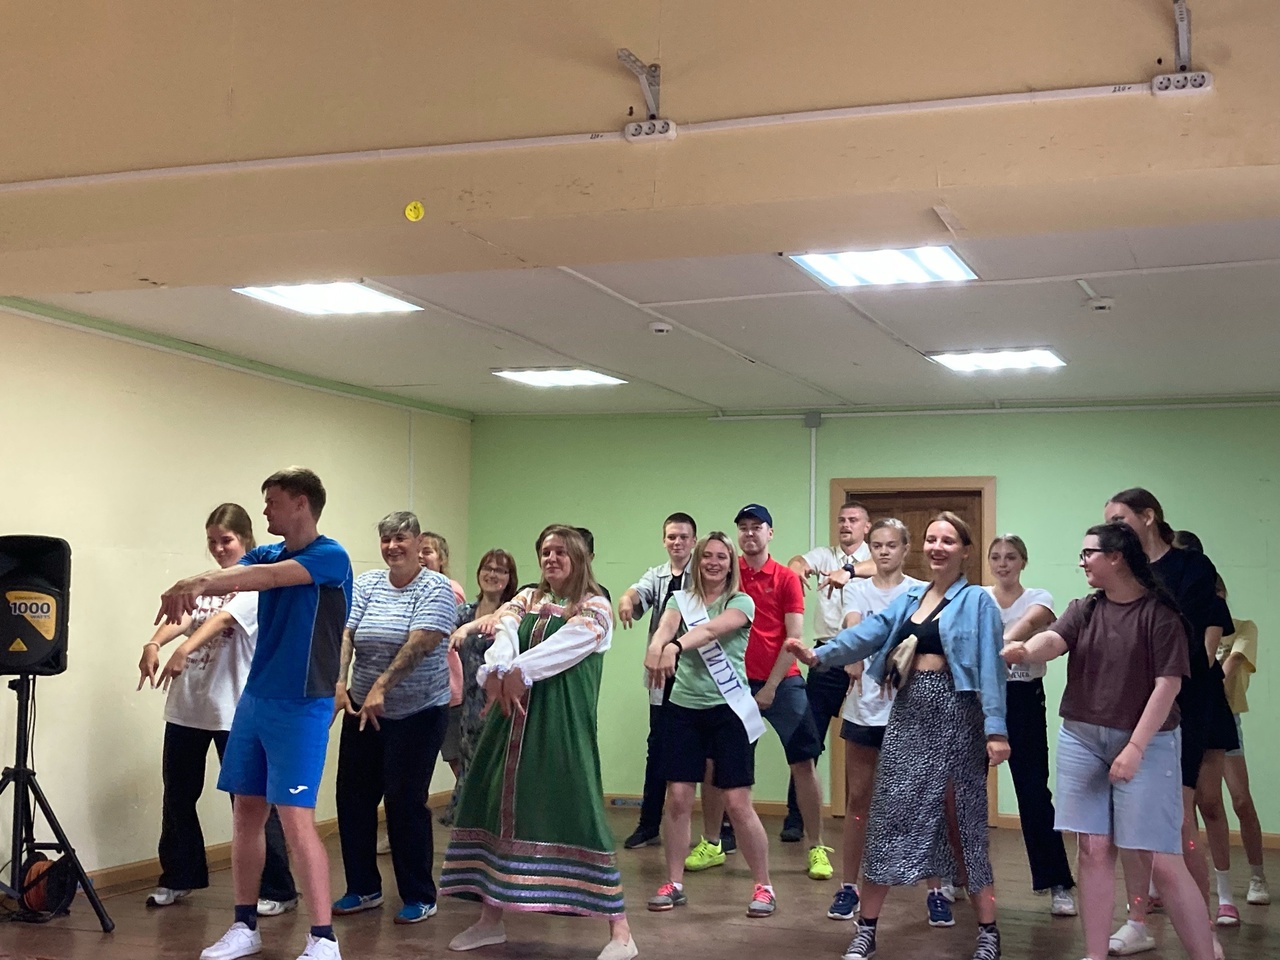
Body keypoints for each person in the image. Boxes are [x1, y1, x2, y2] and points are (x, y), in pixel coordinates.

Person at [787, 511, 1009, 960]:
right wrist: (820, 655)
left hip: (957, 721)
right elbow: (867, 634)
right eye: (932, 539)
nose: (938, 547)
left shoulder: (978, 602)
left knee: (963, 824)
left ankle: (988, 931)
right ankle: (867, 930)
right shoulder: (910, 598)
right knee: (887, 820)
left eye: (948, 540)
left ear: (965, 551)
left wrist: (996, 730)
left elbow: (991, 667)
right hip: (908, 719)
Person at [156, 467, 353, 960]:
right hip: (255, 700)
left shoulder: (330, 556)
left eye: (272, 502)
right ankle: (244, 925)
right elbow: (241, 573)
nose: (264, 510)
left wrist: (197, 581)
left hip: (302, 704)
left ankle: (323, 938)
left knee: (295, 820)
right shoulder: (267, 551)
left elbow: (265, 578)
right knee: (246, 813)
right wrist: (189, 599)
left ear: (301, 504)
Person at [1001, 522, 1214, 960]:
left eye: (1088, 554)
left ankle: (1205, 952)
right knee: (1093, 849)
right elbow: (1054, 639)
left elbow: (1168, 687)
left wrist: (1135, 748)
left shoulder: (1161, 616)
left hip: (1148, 743)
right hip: (1082, 737)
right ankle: (1095, 954)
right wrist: (1024, 650)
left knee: (1160, 858)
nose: (1082, 562)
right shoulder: (1086, 608)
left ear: (1116, 557)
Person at [440, 526, 637, 960]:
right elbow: (504, 631)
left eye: (561, 552)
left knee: (580, 809)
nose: (551, 558)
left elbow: (565, 647)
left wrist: (517, 671)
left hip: (559, 724)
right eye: (545, 551)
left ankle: (621, 932)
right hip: (508, 721)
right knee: (497, 807)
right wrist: (498, 668)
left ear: (579, 558)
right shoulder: (527, 597)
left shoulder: (595, 606)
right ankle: (490, 920)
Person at [138, 504, 297, 915]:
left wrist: (184, 650)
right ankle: (179, 876)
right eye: (212, 541)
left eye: (226, 540)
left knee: (250, 800)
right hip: (189, 706)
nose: (219, 548)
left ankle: (277, 889)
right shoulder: (205, 583)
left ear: (245, 539)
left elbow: (224, 619)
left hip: (236, 710)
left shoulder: (257, 584)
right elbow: (183, 616)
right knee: (178, 796)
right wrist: (155, 643)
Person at [1103, 489, 1236, 957]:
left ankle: (1204, 928)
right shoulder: (1123, 569)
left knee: (1179, 822)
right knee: (1132, 824)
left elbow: (1186, 642)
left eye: (1120, 520)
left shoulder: (1191, 567)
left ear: (1148, 516)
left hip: (1185, 704)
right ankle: (1137, 920)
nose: (1114, 530)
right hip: (1131, 708)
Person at [691, 504, 829, 887]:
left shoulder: (786, 578)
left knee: (804, 761)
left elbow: (794, 637)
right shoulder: (727, 574)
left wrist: (769, 688)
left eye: (757, 527)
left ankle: (817, 846)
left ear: (770, 533)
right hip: (732, 684)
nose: (749, 533)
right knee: (716, 764)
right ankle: (712, 842)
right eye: (744, 528)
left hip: (783, 683)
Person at [330, 512, 457, 925]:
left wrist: (382, 687)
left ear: (418, 543)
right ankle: (363, 888)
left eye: (400, 538)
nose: (392, 546)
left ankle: (419, 894)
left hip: (419, 711)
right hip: (363, 708)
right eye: (386, 539)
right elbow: (347, 633)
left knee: (404, 801)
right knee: (353, 797)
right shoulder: (368, 583)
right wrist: (339, 682)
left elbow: (421, 642)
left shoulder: (436, 587)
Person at [642, 532, 776, 918]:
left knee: (737, 803)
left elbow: (711, 631)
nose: (714, 563)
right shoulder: (680, 600)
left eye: (722, 557)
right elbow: (666, 626)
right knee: (678, 798)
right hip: (684, 710)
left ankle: (764, 886)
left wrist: (673, 647)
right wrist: (656, 646)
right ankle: (674, 883)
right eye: (707, 556)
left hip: (728, 710)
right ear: (698, 561)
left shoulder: (741, 602)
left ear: (731, 564)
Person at [824, 518, 926, 923]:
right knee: (858, 800)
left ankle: (935, 889)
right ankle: (849, 886)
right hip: (865, 710)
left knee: (920, 800)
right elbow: (855, 627)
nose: (884, 552)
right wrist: (853, 653)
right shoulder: (857, 589)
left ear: (905, 549)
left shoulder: (920, 592)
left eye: (891, 545)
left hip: (909, 710)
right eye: (878, 545)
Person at [984, 534, 1077, 918]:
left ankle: (1057, 883)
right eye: (996, 557)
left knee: (1034, 793)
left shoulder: (1039, 598)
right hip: (983, 700)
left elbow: (1029, 624)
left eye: (1010, 557)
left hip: (1024, 699)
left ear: (1023, 561)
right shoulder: (978, 598)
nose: (1003, 563)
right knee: (966, 792)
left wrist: (996, 648)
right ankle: (959, 876)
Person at [782, 498, 875, 843]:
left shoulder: (875, 557)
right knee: (808, 737)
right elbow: (798, 560)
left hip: (865, 657)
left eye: (853, 519)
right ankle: (796, 818)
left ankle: (873, 820)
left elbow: (875, 568)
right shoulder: (825, 555)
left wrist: (847, 571)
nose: (846, 525)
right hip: (825, 655)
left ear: (866, 526)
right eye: (842, 520)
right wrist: (796, 569)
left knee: (869, 737)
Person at [617, 512, 698, 850]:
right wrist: (626, 600)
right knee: (658, 748)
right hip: (662, 676)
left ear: (694, 541)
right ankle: (648, 825)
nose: (677, 542)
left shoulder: (704, 572)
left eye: (683, 537)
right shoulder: (658, 575)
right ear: (664, 540)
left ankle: (720, 832)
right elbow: (636, 592)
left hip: (699, 675)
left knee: (706, 753)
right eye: (671, 537)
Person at [442, 548, 519, 825]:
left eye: (501, 570)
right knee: (468, 766)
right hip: (468, 706)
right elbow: (441, 637)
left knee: (498, 769)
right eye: (488, 568)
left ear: (509, 578)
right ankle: (469, 831)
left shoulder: (515, 613)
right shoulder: (463, 612)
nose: (492, 574)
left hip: (502, 706)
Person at [422, 532, 467, 804]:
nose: (420, 556)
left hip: (447, 692)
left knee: (457, 760)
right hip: (415, 697)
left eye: (427, 551)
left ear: (442, 559)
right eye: (417, 551)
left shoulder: (451, 589)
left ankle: (474, 817)